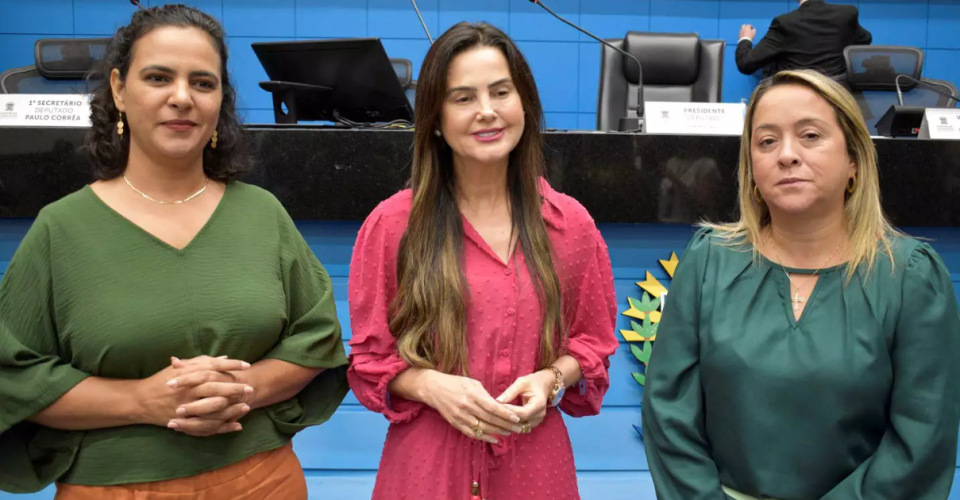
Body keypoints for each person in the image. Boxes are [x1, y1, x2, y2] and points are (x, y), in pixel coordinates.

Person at [0, 5, 349, 499]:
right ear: (120, 89)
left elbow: (317, 339)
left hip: (263, 481)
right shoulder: (62, 230)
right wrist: (142, 401)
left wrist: (239, 392)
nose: (181, 98)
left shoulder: (262, 214)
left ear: (220, 100)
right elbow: (13, 374)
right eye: (159, 77)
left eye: (203, 83)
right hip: (115, 487)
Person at [642, 68, 960, 500]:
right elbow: (668, 413)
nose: (787, 155)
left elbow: (921, 443)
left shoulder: (911, 276)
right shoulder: (708, 260)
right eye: (767, 141)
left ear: (853, 160)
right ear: (751, 168)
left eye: (810, 135)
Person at [347, 21, 620, 500]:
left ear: (525, 104)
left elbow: (593, 342)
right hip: (427, 467)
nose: (487, 112)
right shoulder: (392, 226)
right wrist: (432, 386)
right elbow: (371, 359)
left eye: (500, 92)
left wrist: (551, 379)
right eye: (463, 98)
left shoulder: (570, 225)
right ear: (433, 117)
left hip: (535, 465)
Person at [736, 0, 873, 77]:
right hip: (838, 101)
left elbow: (746, 64)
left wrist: (745, 39)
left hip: (798, 100)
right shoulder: (847, 14)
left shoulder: (785, 22)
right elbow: (865, 38)